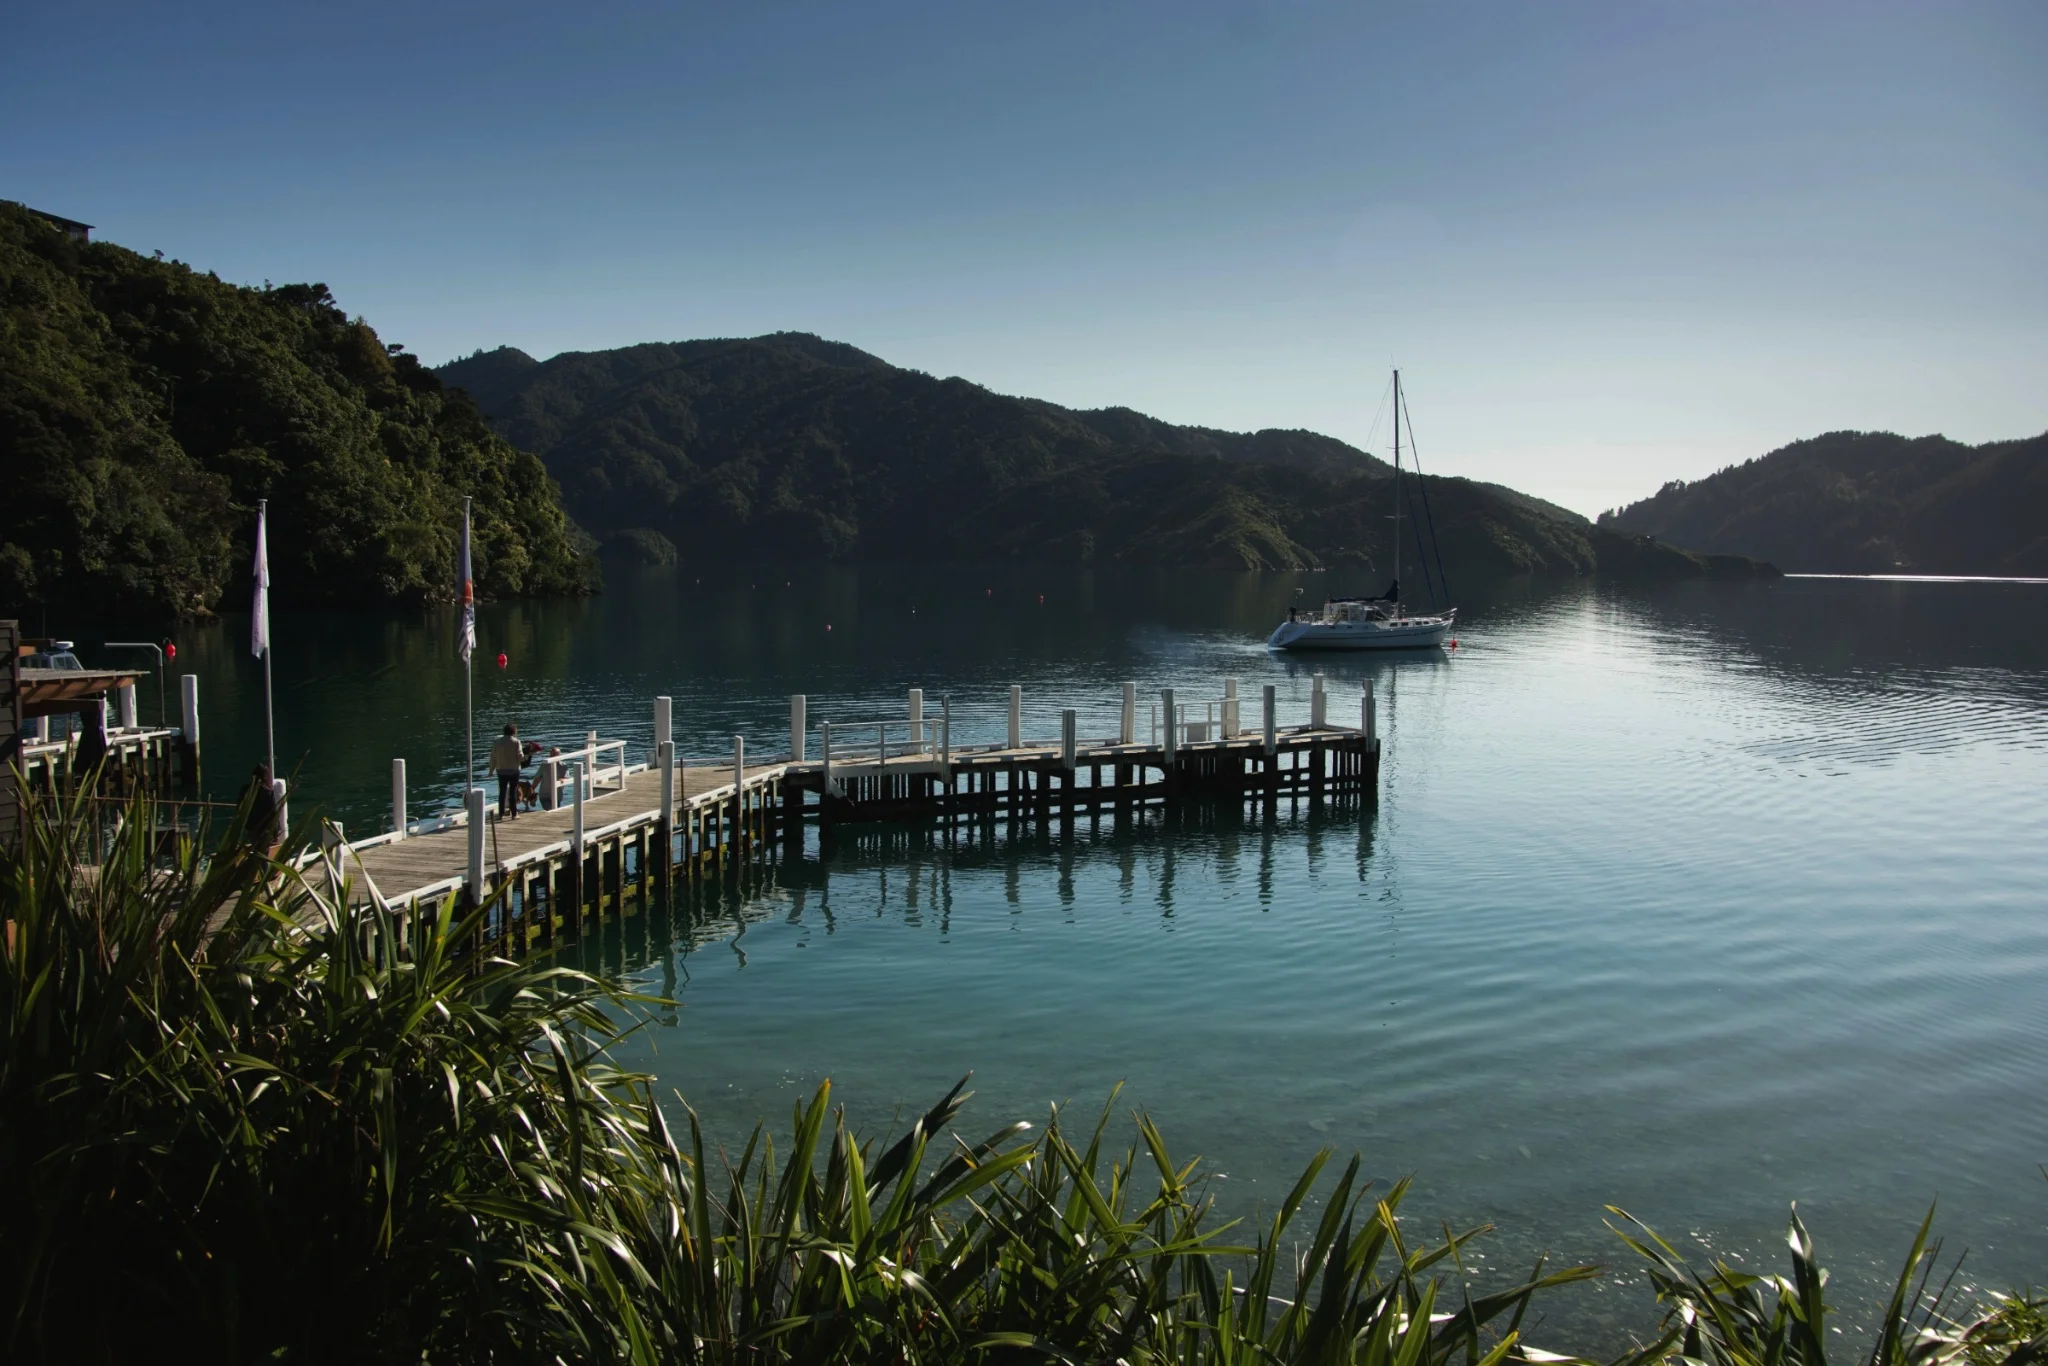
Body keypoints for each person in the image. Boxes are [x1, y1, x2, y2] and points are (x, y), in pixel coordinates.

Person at [489, 723, 527, 820]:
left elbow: (493, 757)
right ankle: (514, 814)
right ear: (514, 732)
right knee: (512, 792)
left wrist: (491, 771)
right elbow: (520, 757)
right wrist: (527, 755)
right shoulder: (516, 742)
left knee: (502, 792)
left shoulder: (497, 742)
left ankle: (501, 813)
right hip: (513, 770)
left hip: (501, 770)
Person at [246, 763, 282, 856]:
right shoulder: (267, 793)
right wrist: (276, 831)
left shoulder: (245, 790)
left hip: (251, 826)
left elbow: (240, 807)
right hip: (264, 828)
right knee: (263, 853)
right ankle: (262, 869)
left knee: (254, 849)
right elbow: (273, 812)